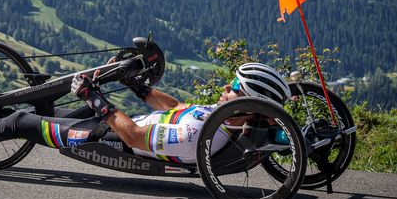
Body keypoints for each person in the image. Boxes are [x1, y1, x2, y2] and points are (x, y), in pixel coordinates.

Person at [66, 61, 292, 163]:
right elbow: (174, 107)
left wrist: (95, 99)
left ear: (250, 107)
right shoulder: (221, 118)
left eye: (234, 87)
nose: (225, 87)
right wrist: (135, 84)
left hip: (111, 135)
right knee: (54, 109)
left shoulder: (198, 135)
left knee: (31, 121)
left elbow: (134, 136)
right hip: (117, 121)